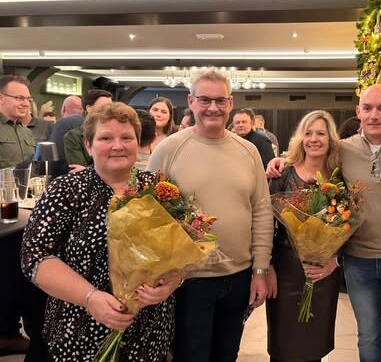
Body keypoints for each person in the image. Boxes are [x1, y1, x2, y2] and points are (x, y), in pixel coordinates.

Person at [267, 84, 381, 362]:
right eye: (368, 108)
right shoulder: (342, 150)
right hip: (358, 261)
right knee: (368, 338)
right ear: (358, 112)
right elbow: (309, 158)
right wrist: (278, 163)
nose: (374, 115)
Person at [21, 102, 180, 361]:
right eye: (106, 138)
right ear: (88, 145)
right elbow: (35, 257)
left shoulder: (158, 188)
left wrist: (172, 281)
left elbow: (181, 248)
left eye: (126, 138)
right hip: (80, 331)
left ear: (138, 142)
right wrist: (90, 298)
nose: (118, 145)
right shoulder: (66, 190)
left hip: (149, 333)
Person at [147, 68, 273, 362]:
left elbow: (262, 212)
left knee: (227, 354)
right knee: (191, 355)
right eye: (204, 100)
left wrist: (260, 271)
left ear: (231, 103)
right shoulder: (168, 149)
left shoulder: (249, 151)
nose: (213, 108)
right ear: (191, 101)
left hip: (239, 277)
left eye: (220, 101)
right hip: (188, 281)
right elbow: (149, 215)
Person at [266, 110, 341, 362]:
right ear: (300, 138)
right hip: (285, 271)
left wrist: (335, 261)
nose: (314, 139)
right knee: (283, 345)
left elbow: (350, 226)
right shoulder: (282, 173)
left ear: (330, 139)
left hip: (322, 273)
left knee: (312, 346)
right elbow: (266, 223)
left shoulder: (339, 176)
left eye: (321, 133)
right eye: (308, 133)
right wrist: (266, 268)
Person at [0, 75, 36, 356]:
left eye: (27, 98)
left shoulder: (24, 131)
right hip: (2, 214)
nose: (25, 103)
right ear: (1, 99)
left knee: (16, 272)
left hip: (20, 213)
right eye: (19, 98)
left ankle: (11, 331)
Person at [63, 89, 112, 170]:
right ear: (89, 108)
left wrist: (87, 169)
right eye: (104, 107)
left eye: (111, 107)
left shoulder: (116, 134)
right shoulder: (74, 136)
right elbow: (79, 170)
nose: (109, 111)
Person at [49, 95, 84, 175]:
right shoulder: (89, 124)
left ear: (63, 109)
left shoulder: (62, 124)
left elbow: (55, 153)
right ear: (82, 109)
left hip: (66, 175)